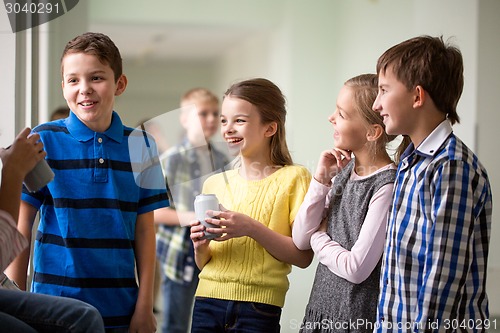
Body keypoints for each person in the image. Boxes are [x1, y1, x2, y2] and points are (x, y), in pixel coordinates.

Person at [5, 32, 169, 333]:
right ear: (63, 86)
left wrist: (145, 306)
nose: (84, 89)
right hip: (53, 307)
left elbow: (145, 230)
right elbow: (22, 225)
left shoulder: (142, 145)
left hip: (121, 307)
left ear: (119, 84)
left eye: (96, 78)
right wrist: (16, 300)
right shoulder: (44, 139)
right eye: (73, 80)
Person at [372, 35, 492, 332]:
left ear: (417, 96)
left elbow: (442, 279)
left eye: (384, 90)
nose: (376, 104)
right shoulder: (411, 162)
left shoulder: (450, 166)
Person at [189, 78, 313, 332]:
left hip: (258, 309)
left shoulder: (295, 178)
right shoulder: (213, 184)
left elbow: (303, 257)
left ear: (269, 128)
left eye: (240, 120)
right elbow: (205, 263)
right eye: (224, 120)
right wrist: (200, 247)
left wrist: (251, 227)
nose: (227, 129)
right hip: (206, 302)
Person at [292, 74, 398, 333]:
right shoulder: (342, 170)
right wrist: (321, 180)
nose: (331, 118)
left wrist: (320, 236)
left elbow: (356, 268)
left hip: (352, 320)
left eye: (341, 113)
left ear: (372, 132)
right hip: (320, 311)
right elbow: (299, 239)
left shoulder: (386, 185)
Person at [0, 127, 105, 333]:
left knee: (85, 317)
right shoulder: (47, 137)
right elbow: (16, 232)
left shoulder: (137, 144)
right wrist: (13, 171)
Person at [154, 88, 229, 333]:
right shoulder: (170, 160)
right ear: (184, 118)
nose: (210, 119)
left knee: (209, 322)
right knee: (175, 324)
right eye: (203, 113)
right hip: (178, 255)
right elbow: (153, 212)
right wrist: (192, 218)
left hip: (215, 255)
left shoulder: (222, 160)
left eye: (215, 114)